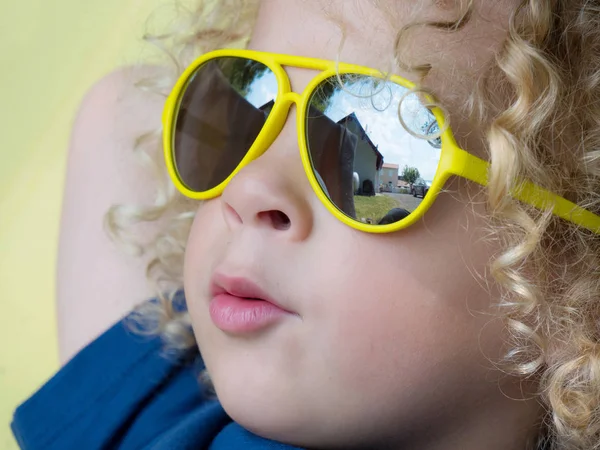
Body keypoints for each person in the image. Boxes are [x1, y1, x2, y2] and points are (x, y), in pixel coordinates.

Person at [12, 0, 600, 449]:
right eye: (240, 109)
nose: (246, 188)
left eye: (370, 148)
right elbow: (122, 106)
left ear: (574, 275)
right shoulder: (164, 416)